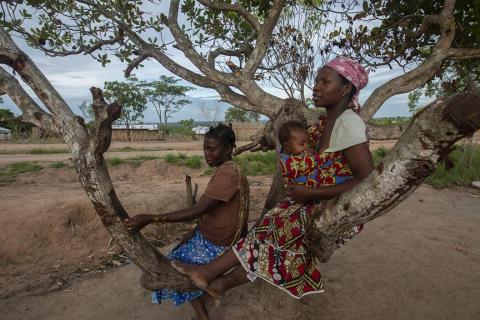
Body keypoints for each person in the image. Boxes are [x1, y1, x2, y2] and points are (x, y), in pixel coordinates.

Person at [171, 56, 374, 301]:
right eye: (316, 80)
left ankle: (213, 277)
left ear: (346, 88)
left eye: (325, 81)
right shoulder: (325, 122)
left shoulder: (348, 123)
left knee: (274, 229)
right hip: (314, 199)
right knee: (268, 226)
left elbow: (366, 180)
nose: (316, 86)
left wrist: (310, 193)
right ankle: (216, 281)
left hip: (337, 205)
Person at [124, 124, 249, 320]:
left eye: (212, 149)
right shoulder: (229, 168)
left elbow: (198, 210)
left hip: (217, 242)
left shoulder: (228, 174)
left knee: (174, 268)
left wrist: (152, 218)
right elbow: (216, 212)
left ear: (228, 148)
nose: (207, 154)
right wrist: (197, 230)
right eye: (205, 149)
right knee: (175, 259)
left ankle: (203, 314)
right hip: (211, 235)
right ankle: (203, 311)